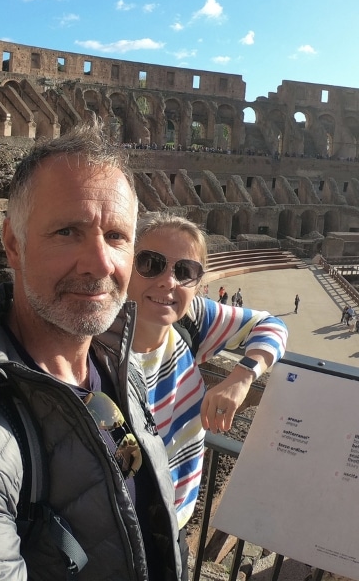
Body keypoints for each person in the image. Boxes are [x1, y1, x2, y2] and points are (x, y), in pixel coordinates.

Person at [0, 125, 181, 581]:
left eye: (116, 236)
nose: (100, 263)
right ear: (13, 244)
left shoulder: (117, 368)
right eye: (68, 231)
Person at [128, 213, 287, 579]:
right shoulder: (90, 348)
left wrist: (242, 375)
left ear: (198, 283)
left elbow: (272, 324)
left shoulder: (192, 319)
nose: (168, 280)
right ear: (125, 266)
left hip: (175, 521)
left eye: (185, 271)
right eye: (150, 263)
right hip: (117, 529)